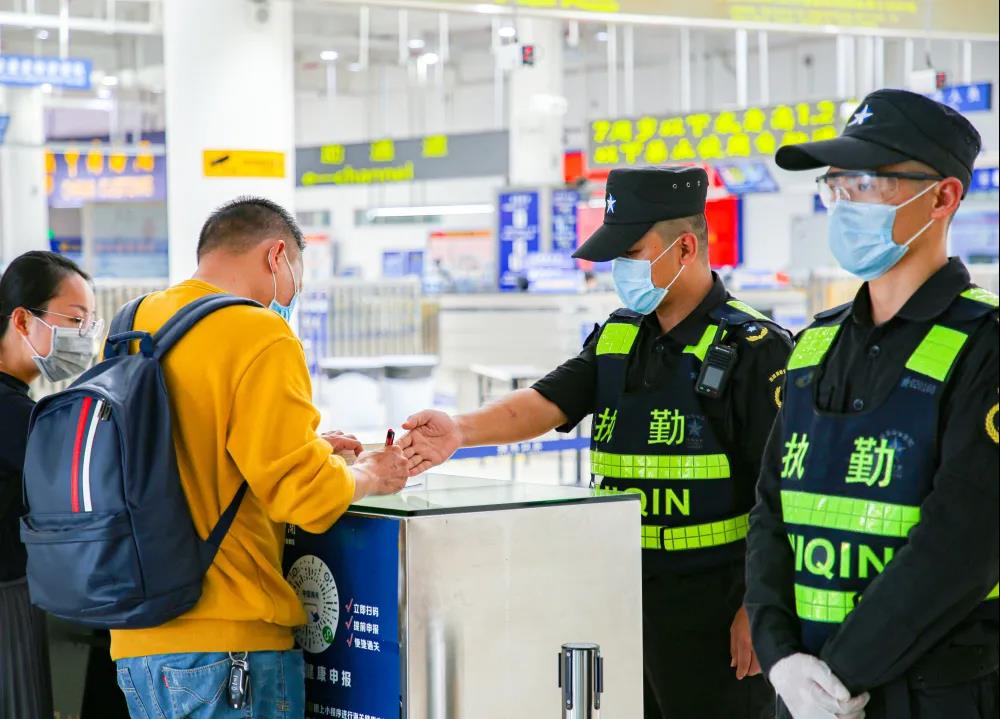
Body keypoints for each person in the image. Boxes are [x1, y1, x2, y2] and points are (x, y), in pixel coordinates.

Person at [401, 167, 791, 718]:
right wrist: (461, 430)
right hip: (618, 591)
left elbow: (784, 493)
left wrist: (762, 603)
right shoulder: (619, 335)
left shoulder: (754, 348)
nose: (620, 271)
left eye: (632, 253)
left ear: (685, 247)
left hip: (716, 605)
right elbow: (546, 400)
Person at [745, 89, 999, 719]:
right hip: (803, 689)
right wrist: (780, 658)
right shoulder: (815, 345)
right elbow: (772, 509)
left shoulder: (986, 346)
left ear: (942, 197)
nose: (845, 203)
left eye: (866, 183)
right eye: (836, 186)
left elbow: (962, 543)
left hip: (931, 695)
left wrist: (836, 680)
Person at [110, 197, 409, 718]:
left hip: (138, 648)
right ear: (276, 256)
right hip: (228, 649)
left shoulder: (133, 323)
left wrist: (311, 448)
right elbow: (305, 497)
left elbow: (191, 450)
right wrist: (370, 473)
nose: (290, 297)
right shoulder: (260, 332)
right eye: (296, 279)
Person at [0, 250, 99, 718]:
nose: (83, 337)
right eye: (75, 320)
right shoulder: (13, 415)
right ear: (22, 319)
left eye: (89, 324)